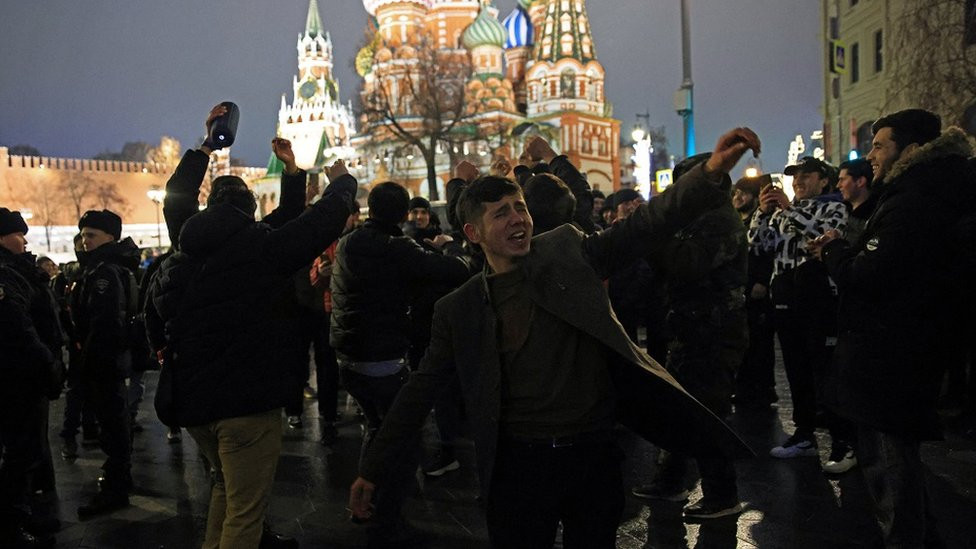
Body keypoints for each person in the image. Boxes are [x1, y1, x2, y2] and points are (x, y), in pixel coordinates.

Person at [348, 130, 760, 548]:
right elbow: (420, 390)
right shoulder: (460, 308)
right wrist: (373, 468)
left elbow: (645, 226)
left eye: (520, 207)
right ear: (473, 233)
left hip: (590, 458)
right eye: (501, 214)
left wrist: (709, 173)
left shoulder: (568, 251)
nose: (517, 219)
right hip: (518, 468)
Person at [146, 104, 358, 549]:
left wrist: (208, 145)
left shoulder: (187, 243)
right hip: (246, 401)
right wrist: (341, 183)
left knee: (226, 488)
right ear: (249, 211)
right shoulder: (264, 250)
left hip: (193, 400)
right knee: (245, 512)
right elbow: (312, 223)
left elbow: (177, 194)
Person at [813, 109, 975, 547]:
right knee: (899, 464)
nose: (870, 156)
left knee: (888, 465)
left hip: (890, 354)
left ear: (911, 149)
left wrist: (834, 252)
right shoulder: (925, 190)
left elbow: (869, 274)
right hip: (905, 347)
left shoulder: (913, 199)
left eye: (879, 145)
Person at [329, 180, 473, 540]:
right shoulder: (396, 247)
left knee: (378, 428)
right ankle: (387, 518)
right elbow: (457, 270)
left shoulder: (349, 242)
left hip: (349, 357)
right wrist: (448, 246)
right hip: (383, 360)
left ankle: (367, 502)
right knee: (404, 440)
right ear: (404, 213)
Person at [631, 152, 749, 520]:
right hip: (689, 327)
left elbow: (687, 264)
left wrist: (653, 235)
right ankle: (670, 480)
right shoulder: (697, 219)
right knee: (679, 408)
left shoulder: (720, 221)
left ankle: (722, 494)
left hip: (714, 332)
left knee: (709, 413)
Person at [749, 156, 849, 461]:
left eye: (807, 175)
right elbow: (757, 244)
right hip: (785, 298)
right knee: (796, 368)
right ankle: (805, 435)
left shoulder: (834, 207)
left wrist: (789, 209)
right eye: (795, 176)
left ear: (824, 180)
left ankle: (843, 441)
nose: (799, 181)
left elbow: (822, 236)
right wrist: (762, 213)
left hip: (818, 299)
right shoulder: (782, 212)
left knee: (825, 370)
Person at [70, 209, 140, 519]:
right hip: (108, 359)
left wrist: (89, 360)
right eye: (83, 234)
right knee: (115, 422)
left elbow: (105, 323)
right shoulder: (106, 267)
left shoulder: (104, 273)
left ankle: (116, 486)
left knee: (113, 425)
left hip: (104, 361)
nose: (84, 240)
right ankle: (119, 479)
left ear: (110, 237)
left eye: (91, 235)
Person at [0, 208, 64, 548]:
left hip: (26, 376)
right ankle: (12, 524)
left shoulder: (17, 271)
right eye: (17, 234)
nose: (24, 241)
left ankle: (22, 513)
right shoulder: (6, 276)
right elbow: (17, 327)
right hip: (18, 378)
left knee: (26, 450)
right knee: (20, 452)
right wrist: (47, 362)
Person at [731, 175, 777, 409]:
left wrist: (763, 281)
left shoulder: (766, 219)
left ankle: (763, 388)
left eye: (744, 193)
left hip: (758, 288)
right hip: (740, 288)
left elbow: (768, 250)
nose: (738, 197)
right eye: (736, 193)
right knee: (742, 340)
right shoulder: (734, 221)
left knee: (760, 342)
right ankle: (744, 386)